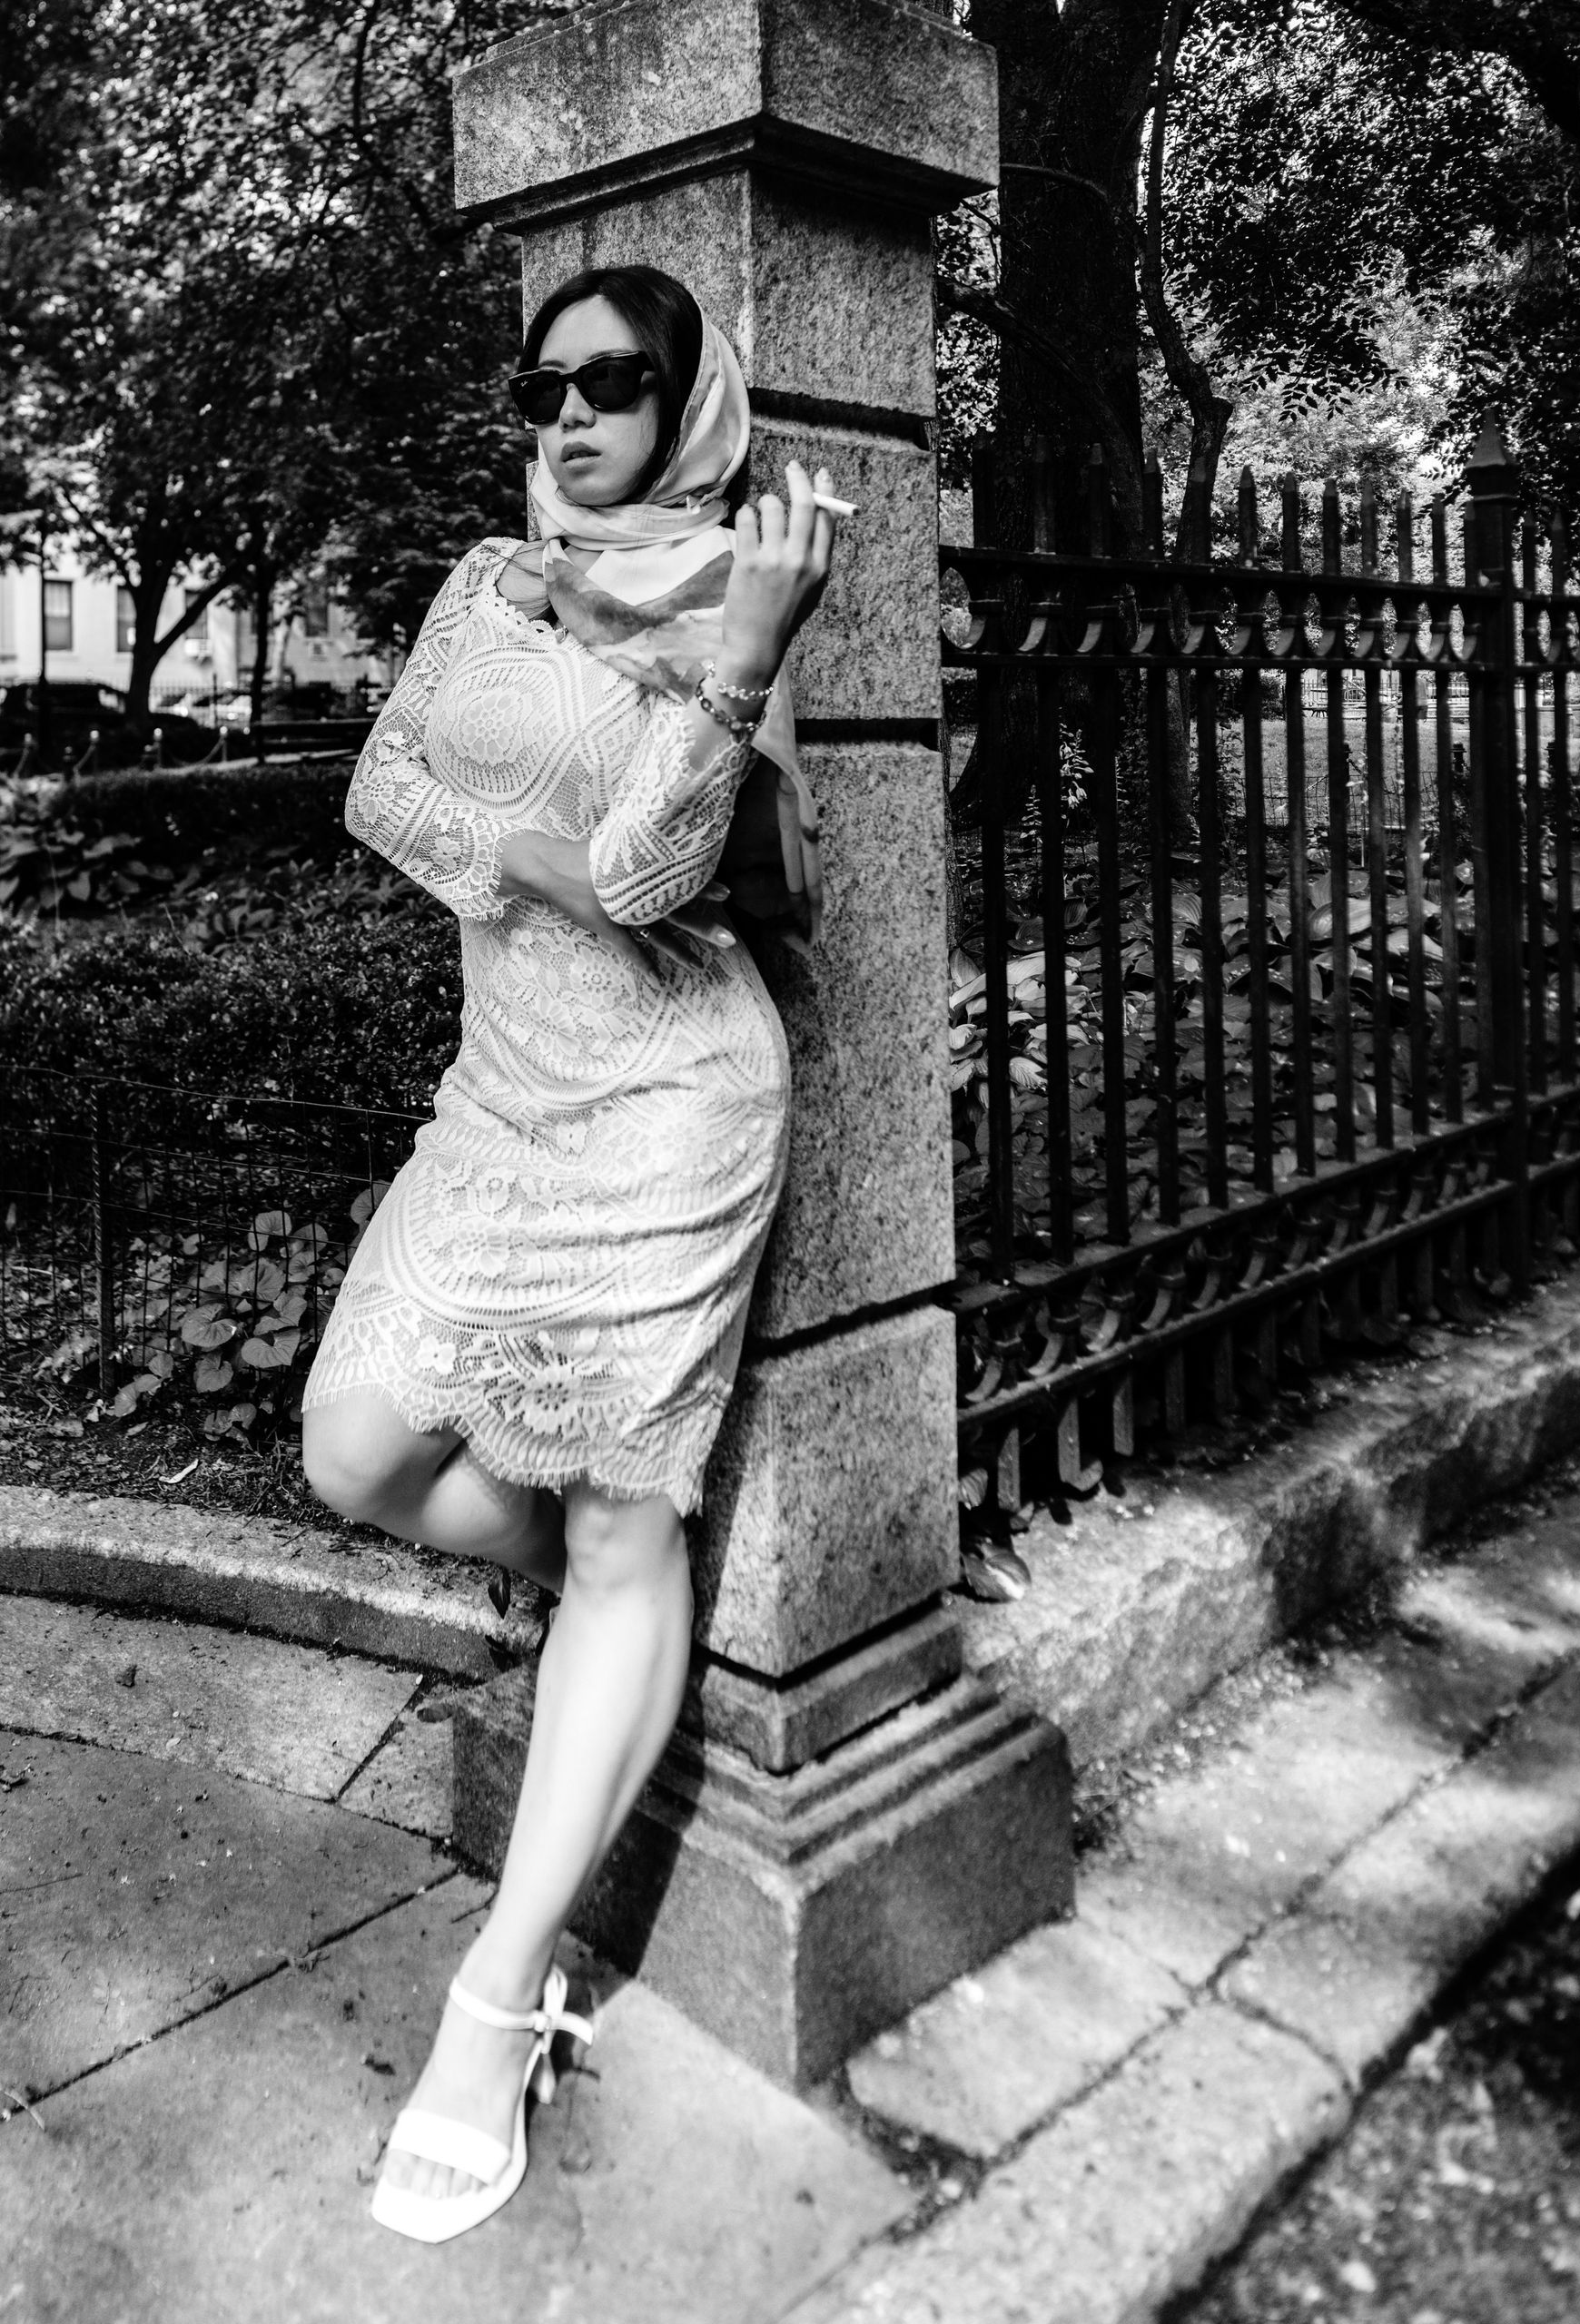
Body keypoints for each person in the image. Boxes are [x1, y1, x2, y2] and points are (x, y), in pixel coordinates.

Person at [300, 264, 834, 2243]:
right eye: (547, 383)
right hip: (504, 1092)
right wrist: (536, 855)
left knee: (625, 1526)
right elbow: (379, 789)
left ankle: (499, 1999)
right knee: (353, 1443)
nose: (572, 416)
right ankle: (625, 1625)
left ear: (689, 404)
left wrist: (737, 660)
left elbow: (657, 872)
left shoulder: (746, 582)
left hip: (677, 1112)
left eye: (620, 383)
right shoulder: (483, 581)